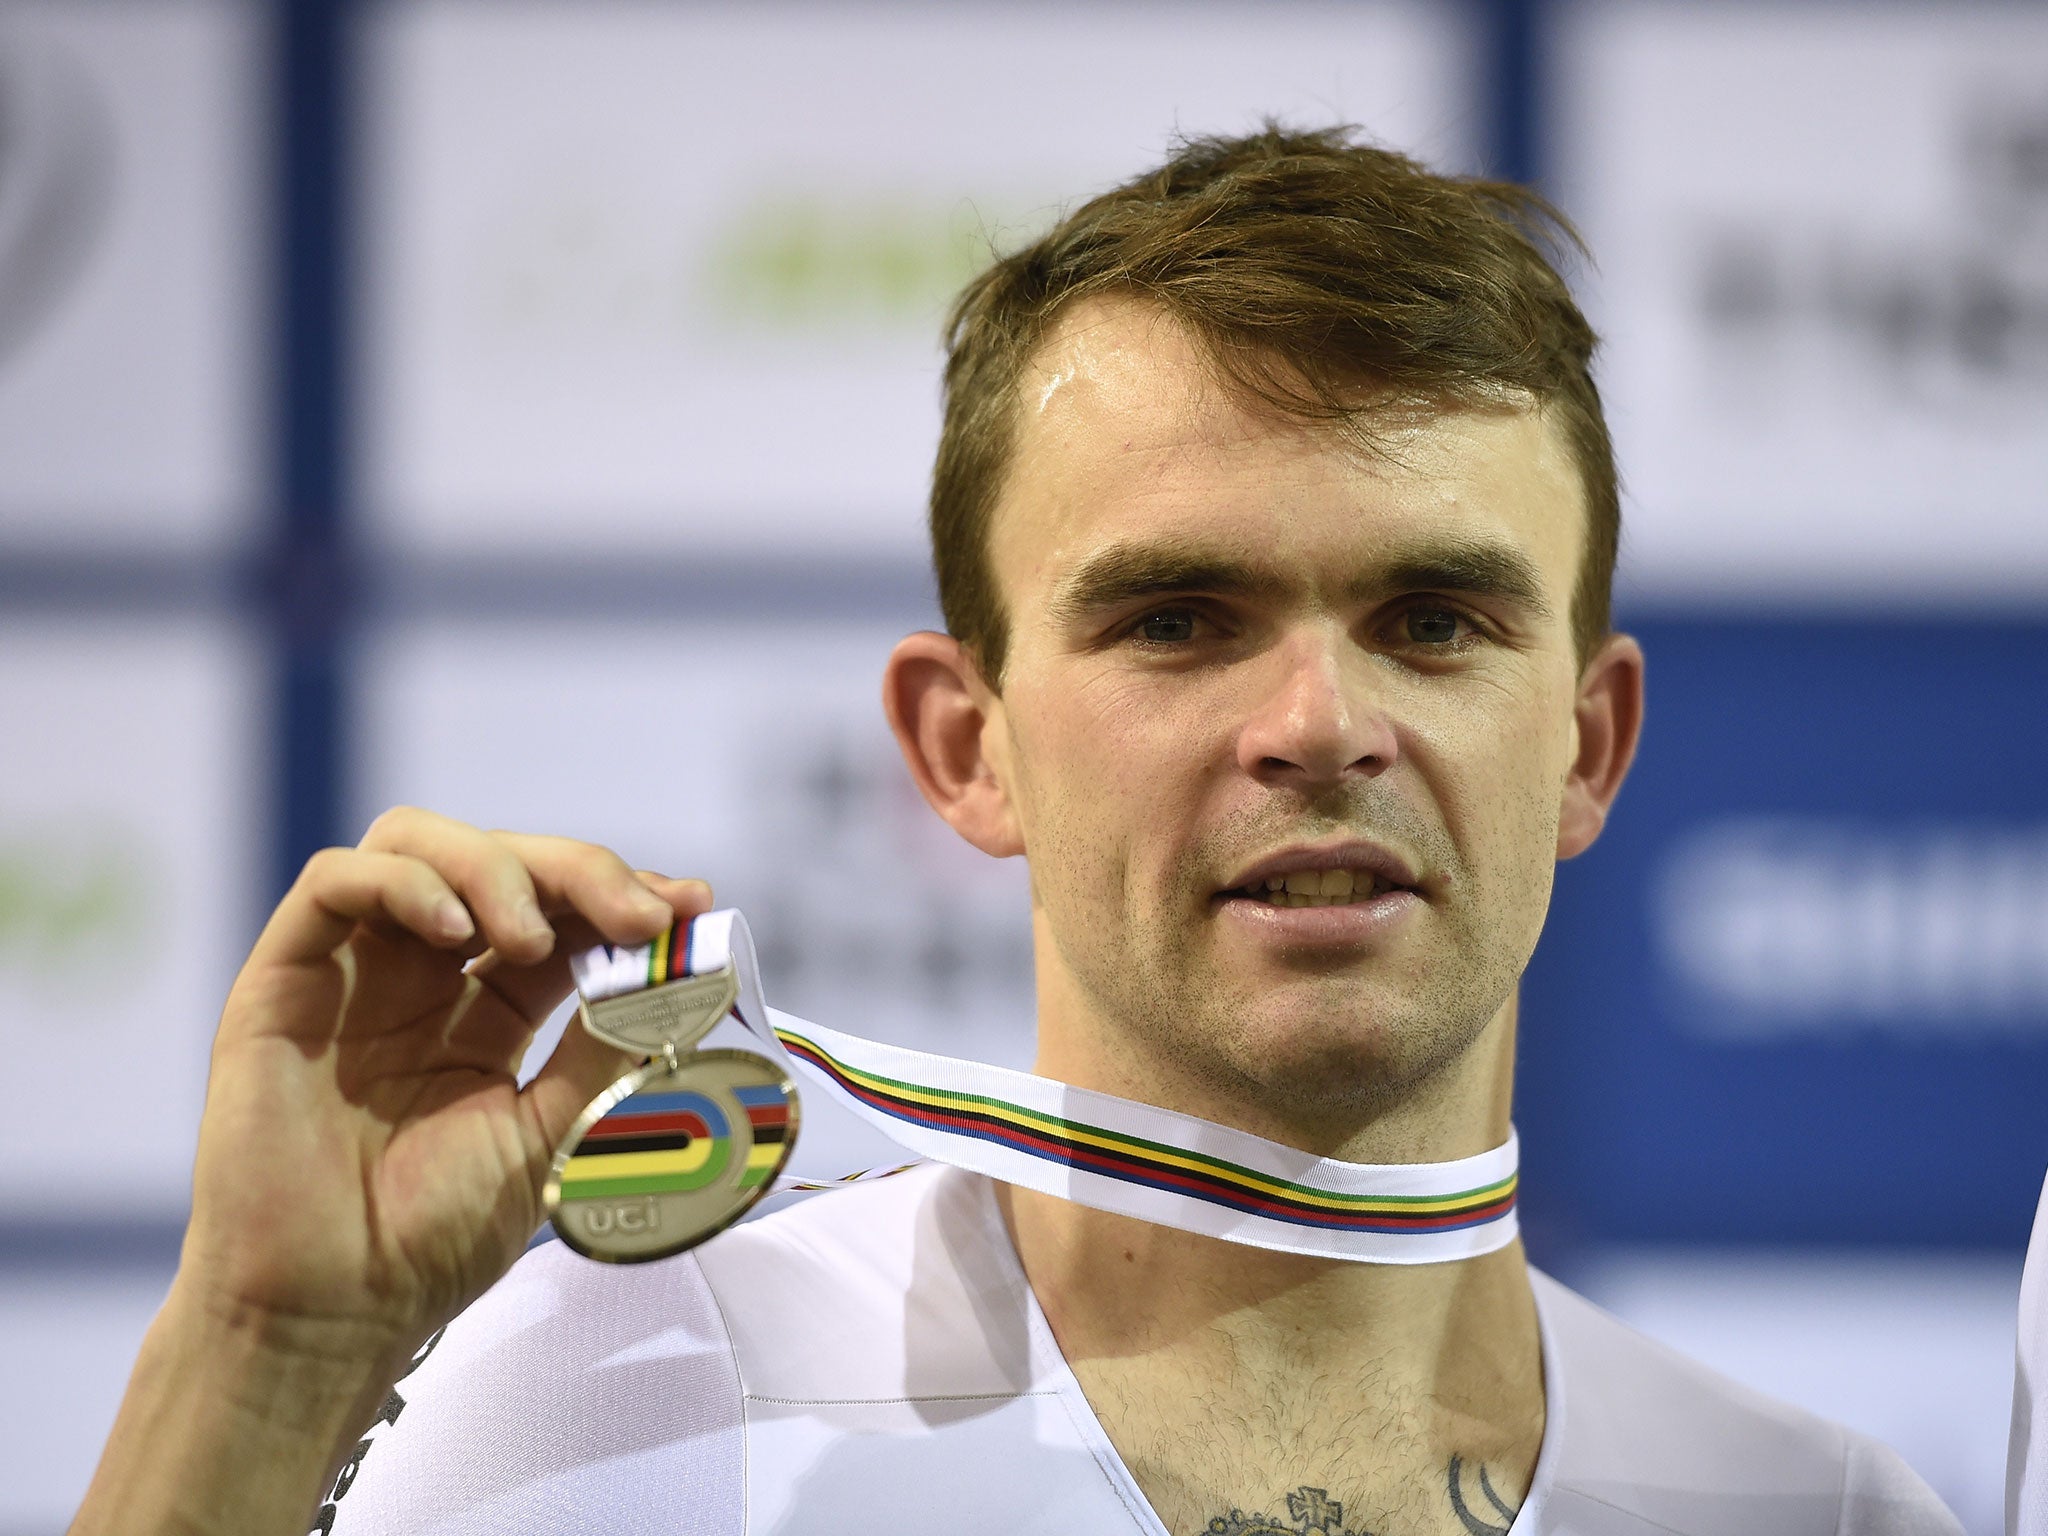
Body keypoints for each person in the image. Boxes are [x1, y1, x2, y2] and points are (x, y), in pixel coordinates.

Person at [70, 126, 1963, 1536]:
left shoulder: (1824, 1513)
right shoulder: (617, 1414)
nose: (1318, 728)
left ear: (1588, 744)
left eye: (1437, 619)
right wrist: (263, 1355)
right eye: (1177, 619)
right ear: (962, 747)